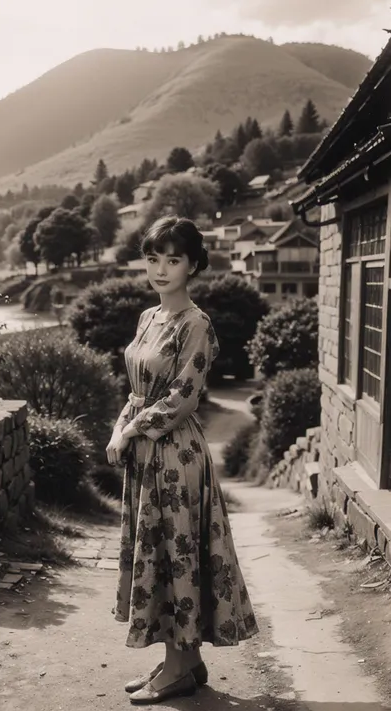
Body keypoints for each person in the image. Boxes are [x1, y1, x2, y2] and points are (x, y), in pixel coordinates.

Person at [106, 216, 259, 705]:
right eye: (153, 258)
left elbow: (183, 396)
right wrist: (119, 426)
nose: (161, 269)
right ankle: (186, 664)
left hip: (174, 454)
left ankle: (175, 670)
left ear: (193, 264)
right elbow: (136, 388)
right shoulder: (149, 318)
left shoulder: (196, 323)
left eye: (173, 259)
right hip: (145, 452)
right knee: (160, 550)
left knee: (176, 556)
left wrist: (132, 429)